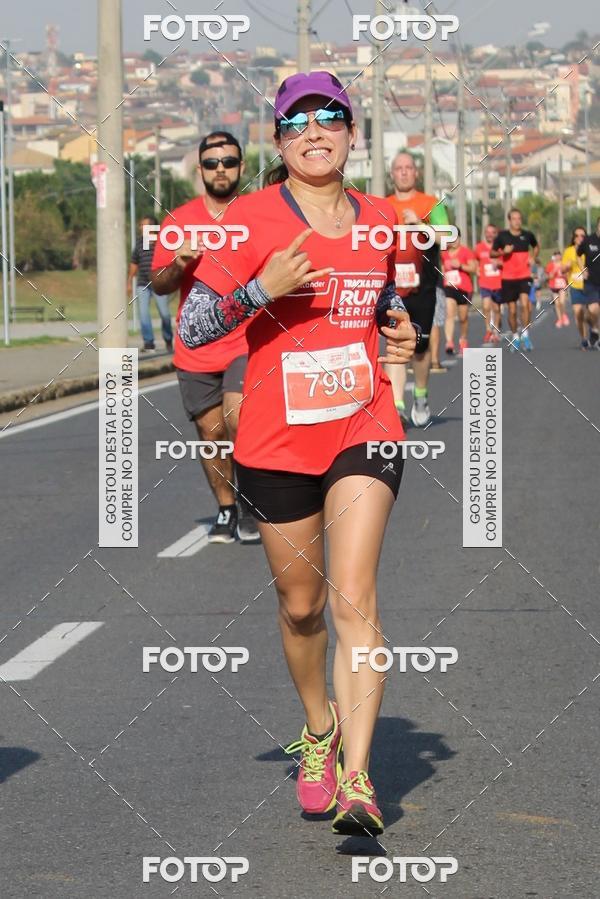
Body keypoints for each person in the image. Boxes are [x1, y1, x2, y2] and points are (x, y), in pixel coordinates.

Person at [178, 71, 417, 837]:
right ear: (279, 141)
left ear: (353, 132)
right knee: (302, 604)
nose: (316, 131)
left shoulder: (380, 219)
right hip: (278, 437)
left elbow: (379, 300)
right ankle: (319, 728)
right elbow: (194, 330)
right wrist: (261, 289)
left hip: (365, 422)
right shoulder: (248, 219)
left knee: (354, 596)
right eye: (297, 121)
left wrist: (398, 330)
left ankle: (357, 777)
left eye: (332, 117)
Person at [151, 132, 259, 543]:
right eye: (212, 163)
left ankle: (252, 503)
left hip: (247, 342)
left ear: (241, 167)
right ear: (200, 170)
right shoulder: (178, 222)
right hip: (196, 347)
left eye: (228, 162)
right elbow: (159, 284)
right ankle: (227, 508)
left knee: (239, 417)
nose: (220, 170)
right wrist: (178, 264)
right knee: (211, 433)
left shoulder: (256, 215)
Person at [386, 152, 450, 426]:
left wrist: (420, 226)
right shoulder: (382, 205)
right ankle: (397, 405)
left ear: (416, 173)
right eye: (398, 168)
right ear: (392, 174)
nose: (403, 172)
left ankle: (421, 396)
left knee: (420, 349)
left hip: (423, 284)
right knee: (396, 344)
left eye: (408, 168)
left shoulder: (430, 203)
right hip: (391, 287)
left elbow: (449, 238)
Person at [491, 208, 539, 352]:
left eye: (519, 218)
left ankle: (525, 334)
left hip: (524, 275)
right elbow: (492, 253)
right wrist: (502, 252)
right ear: (509, 220)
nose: (517, 221)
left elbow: (536, 247)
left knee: (525, 305)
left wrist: (532, 257)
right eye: (514, 219)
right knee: (512, 311)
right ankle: (515, 336)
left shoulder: (527, 235)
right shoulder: (502, 236)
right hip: (508, 277)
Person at [128, 215, 173, 352]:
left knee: (165, 314)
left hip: (159, 283)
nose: (141, 228)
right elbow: (134, 262)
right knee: (143, 313)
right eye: (141, 225)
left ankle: (168, 339)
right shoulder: (140, 242)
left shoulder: (162, 241)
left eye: (144, 225)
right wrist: (129, 281)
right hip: (143, 283)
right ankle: (148, 343)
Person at [441, 228, 477, 355]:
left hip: (464, 288)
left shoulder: (466, 252)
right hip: (449, 287)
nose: (454, 240)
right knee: (449, 314)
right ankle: (449, 342)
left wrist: (460, 265)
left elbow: (474, 268)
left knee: (463, 318)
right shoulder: (443, 253)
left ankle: (463, 339)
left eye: (456, 237)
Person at [562, 227, 597, 349]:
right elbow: (562, 270)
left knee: (590, 313)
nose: (579, 238)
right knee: (578, 312)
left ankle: (594, 330)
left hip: (590, 285)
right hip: (575, 286)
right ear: (573, 238)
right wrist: (566, 266)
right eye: (577, 236)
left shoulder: (591, 249)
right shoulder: (569, 251)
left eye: (582, 236)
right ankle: (583, 339)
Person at [574, 217, 600, 349]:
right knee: (593, 309)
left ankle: (595, 332)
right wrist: (582, 269)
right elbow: (578, 253)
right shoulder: (589, 240)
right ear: (598, 226)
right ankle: (595, 330)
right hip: (591, 282)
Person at [474, 224, 502, 344]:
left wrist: (498, 263)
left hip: (498, 282)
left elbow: (506, 262)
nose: (490, 234)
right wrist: (476, 269)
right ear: (485, 233)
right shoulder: (479, 247)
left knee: (496, 308)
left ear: (496, 234)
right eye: (488, 232)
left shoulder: (500, 248)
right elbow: (475, 260)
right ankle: (488, 330)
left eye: (492, 232)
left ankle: (495, 330)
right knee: (486, 306)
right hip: (485, 282)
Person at [545, 251, 569, 328]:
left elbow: (567, 274)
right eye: (556, 256)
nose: (558, 257)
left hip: (562, 285)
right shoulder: (550, 265)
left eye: (559, 255)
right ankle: (560, 319)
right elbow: (549, 277)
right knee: (557, 304)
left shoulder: (563, 264)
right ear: (554, 256)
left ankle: (564, 315)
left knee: (562, 302)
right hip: (553, 286)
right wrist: (554, 270)